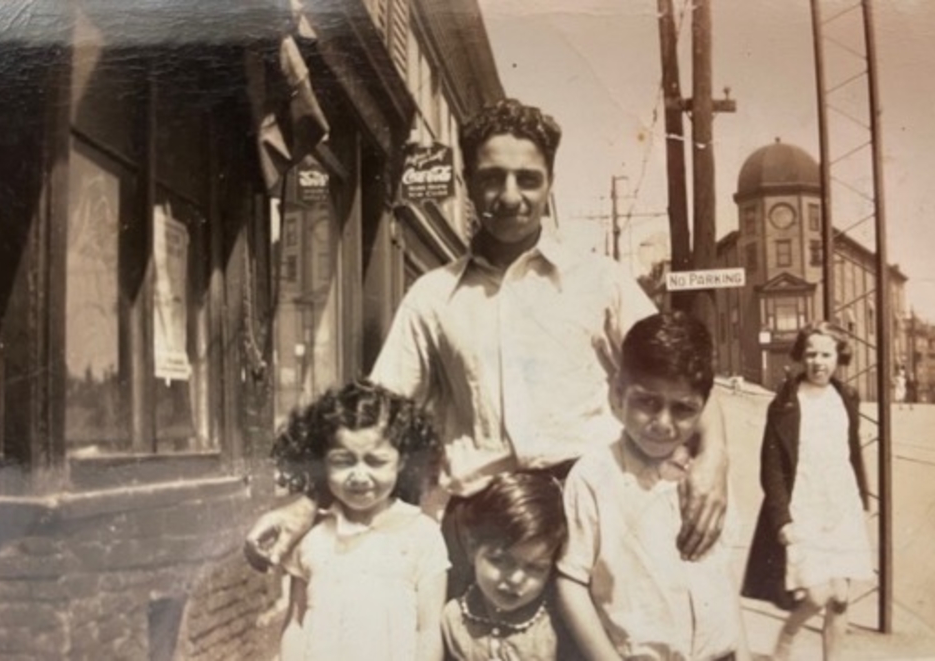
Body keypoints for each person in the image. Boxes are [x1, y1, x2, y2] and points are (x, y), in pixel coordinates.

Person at [246, 98, 730, 591]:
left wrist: (714, 457)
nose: (510, 195)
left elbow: (681, 375)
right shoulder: (433, 297)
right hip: (482, 528)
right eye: (492, 177)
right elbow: (374, 416)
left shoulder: (599, 281)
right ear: (467, 183)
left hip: (589, 515)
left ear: (550, 183)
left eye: (528, 179)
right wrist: (306, 503)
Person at [556, 311, 749, 661]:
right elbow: (571, 582)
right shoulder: (594, 477)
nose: (663, 423)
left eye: (683, 409)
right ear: (617, 393)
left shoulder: (706, 482)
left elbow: (722, 578)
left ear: (704, 406)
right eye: (647, 402)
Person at [272, 380, 448, 661]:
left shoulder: (421, 535)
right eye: (343, 461)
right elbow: (295, 623)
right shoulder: (312, 535)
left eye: (376, 461)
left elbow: (428, 631)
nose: (359, 475)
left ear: (402, 461)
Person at [741, 322, 873, 661]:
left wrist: (861, 497)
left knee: (841, 597)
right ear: (801, 357)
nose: (818, 362)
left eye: (826, 354)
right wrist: (781, 518)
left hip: (840, 505)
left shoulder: (847, 397)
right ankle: (787, 636)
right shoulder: (785, 403)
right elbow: (770, 468)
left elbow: (852, 452)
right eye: (811, 354)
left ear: (838, 357)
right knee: (816, 594)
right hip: (805, 505)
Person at [442, 471, 581, 661]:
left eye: (535, 568)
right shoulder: (454, 620)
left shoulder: (558, 625)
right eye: (499, 560)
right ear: (472, 548)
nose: (515, 579)